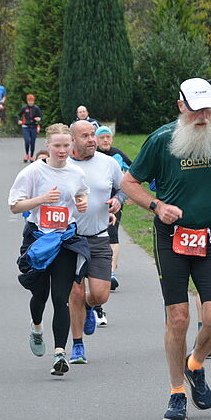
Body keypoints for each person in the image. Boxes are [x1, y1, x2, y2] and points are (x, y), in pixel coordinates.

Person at [121, 77, 211, 420]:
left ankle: (195, 363)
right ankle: (177, 392)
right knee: (178, 318)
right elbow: (128, 182)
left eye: (208, 109)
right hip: (172, 237)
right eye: (196, 110)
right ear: (181, 106)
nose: (203, 116)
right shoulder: (162, 140)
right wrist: (156, 206)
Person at [7, 123, 90, 376]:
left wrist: (82, 202)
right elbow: (14, 206)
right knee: (40, 295)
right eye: (57, 145)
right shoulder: (32, 172)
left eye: (66, 145)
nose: (62, 150)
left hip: (65, 239)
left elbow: (82, 194)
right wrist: (41, 200)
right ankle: (36, 326)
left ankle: (59, 354)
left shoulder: (76, 173)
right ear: (48, 146)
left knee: (60, 299)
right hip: (38, 239)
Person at [67, 120, 124, 363]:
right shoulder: (62, 165)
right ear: (73, 140)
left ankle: (91, 306)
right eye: (85, 136)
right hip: (69, 239)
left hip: (100, 236)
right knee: (76, 293)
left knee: (100, 294)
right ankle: (77, 345)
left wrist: (118, 200)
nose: (91, 139)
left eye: (93, 135)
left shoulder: (109, 163)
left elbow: (124, 188)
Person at [95, 125, 132, 294]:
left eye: (108, 137)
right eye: (102, 137)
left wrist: (130, 192)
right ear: (96, 139)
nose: (105, 140)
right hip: (95, 201)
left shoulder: (117, 154)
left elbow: (134, 171)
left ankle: (110, 272)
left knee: (112, 233)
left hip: (114, 199)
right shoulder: (92, 154)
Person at [18, 94, 43, 163]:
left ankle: (31, 156)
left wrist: (39, 119)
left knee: (32, 142)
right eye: (29, 101)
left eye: (32, 101)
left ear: (34, 101)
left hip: (34, 127)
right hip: (25, 127)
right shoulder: (24, 108)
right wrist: (19, 120)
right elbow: (18, 115)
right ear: (27, 101)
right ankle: (26, 154)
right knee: (27, 141)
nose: (30, 102)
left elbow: (41, 116)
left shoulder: (36, 108)